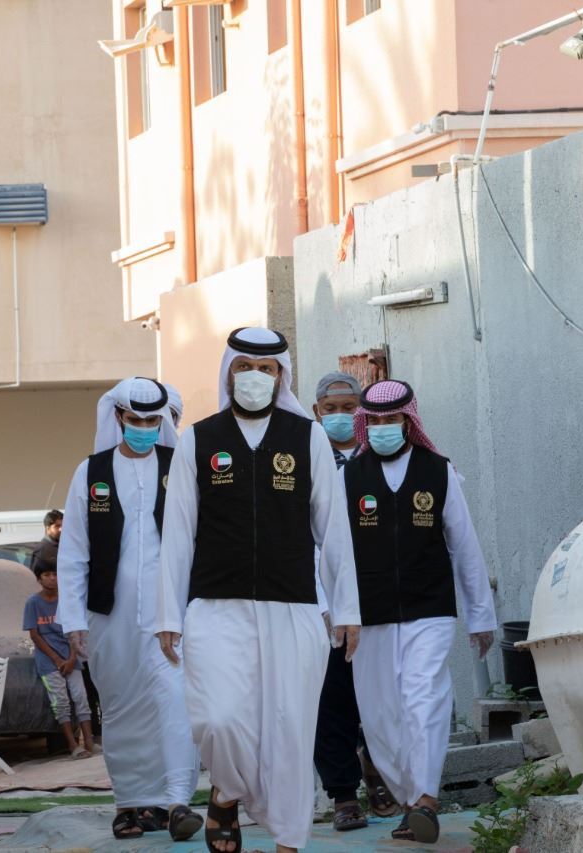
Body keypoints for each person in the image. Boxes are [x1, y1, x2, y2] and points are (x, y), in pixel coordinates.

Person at [157, 327, 361, 853]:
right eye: (244, 367)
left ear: (280, 376)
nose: (254, 377)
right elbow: (177, 535)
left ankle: (288, 840)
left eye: (266, 369)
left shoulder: (308, 438)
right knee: (219, 720)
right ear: (228, 372)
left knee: (291, 731)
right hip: (214, 607)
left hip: (293, 607)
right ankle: (226, 790)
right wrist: (168, 616)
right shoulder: (198, 440)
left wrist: (347, 608)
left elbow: (334, 530)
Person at [344, 379, 496, 843]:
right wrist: (337, 612)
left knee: (423, 698)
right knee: (380, 717)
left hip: (429, 608)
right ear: (365, 424)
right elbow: (331, 552)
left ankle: (426, 798)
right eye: (376, 421)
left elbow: (464, 546)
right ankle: (410, 800)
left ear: (408, 421)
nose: (384, 427)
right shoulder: (348, 476)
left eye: (393, 419)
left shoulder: (438, 471)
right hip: (369, 615)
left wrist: (480, 616)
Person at [57, 377, 202, 843]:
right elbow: (73, 552)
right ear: (119, 416)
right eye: (135, 419)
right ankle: (130, 805)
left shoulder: (179, 466)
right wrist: (73, 620)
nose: (143, 427)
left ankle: (176, 801)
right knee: (120, 710)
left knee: (174, 699)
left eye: (151, 420)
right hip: (109, 616)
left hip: (171, 613)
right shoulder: (91, 472)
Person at [310, 371, 398, 831]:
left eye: (350, 408)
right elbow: (305, 539)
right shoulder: (304, 460)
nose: (341, 417)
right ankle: (343, 793)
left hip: (377, 598)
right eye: (331, 410)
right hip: (324, 601)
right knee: (332, 698)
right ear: (316, 413)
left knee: (380, 694)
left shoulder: (381, 456)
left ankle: (380, 769)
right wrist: (323, 602)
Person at [24, 558, 96, 759]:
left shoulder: (67, 601)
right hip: (48, 662)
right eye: (47, 575)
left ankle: (89, 741)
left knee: (81, 698)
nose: (52, 579)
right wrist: (56, 659)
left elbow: (76, 630)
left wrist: (72, 658)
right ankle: (72, 745)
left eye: (55, 574)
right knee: (61, 702)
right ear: (39, 579)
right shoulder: (33, 603)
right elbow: (35, 635)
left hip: (71, 658)